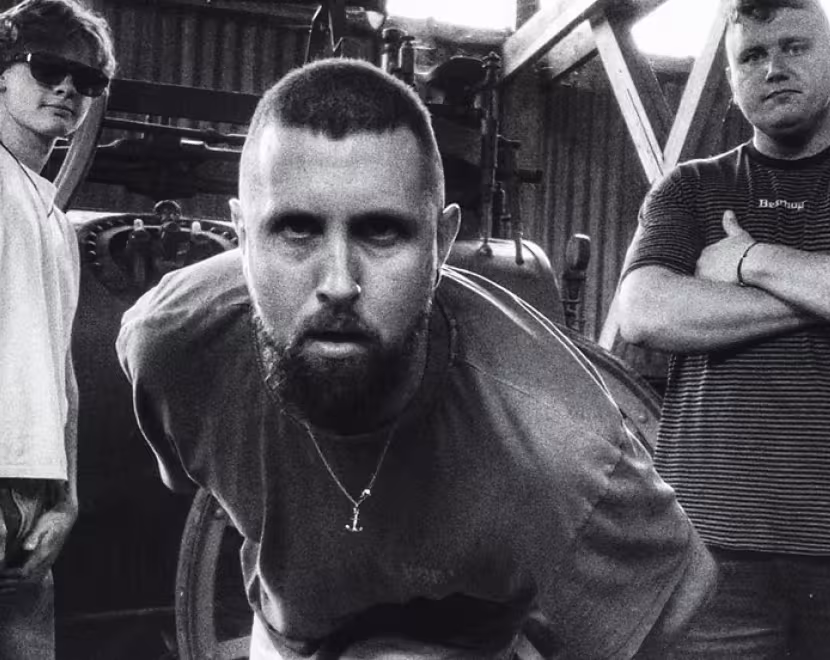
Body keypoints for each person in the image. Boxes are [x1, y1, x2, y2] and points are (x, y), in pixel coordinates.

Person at [117, 58, 716, 659]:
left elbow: (676, 603)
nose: (338, 283)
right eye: (295, 231)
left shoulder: (560, 448)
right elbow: (186, 472)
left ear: (442, 243)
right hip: (291, 634)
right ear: (241, 236)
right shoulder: (173, 344)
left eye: (381, 232)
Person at [617, 0, 830, 657]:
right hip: (711, 554)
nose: (774, 69)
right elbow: (645, 310)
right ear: (731, 78)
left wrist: (750, 260)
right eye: (752, 56)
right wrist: (821, 290)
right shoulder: (690, 190)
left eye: (794, 48)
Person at [0, 0, 115, 657]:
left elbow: (61, 374)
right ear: (2, 73)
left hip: (32, 502)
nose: (68, 88)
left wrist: (65, 501)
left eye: (87, 80)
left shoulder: (51, 219)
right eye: (48, 69)